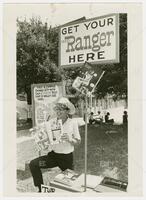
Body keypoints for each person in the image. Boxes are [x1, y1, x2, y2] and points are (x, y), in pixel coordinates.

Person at [29, 97, 81, 192]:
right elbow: (48, 138)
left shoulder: (73, 123)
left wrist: (70, 139)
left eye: (61, 109)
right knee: (34, 164)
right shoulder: (52, 122)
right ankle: (41, 189)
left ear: (67, 111)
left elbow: (78, 142)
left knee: (70, 184)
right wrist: (41, 141)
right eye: (57, 109)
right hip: (53, 157)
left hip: (66, 158)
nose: (58, 111)